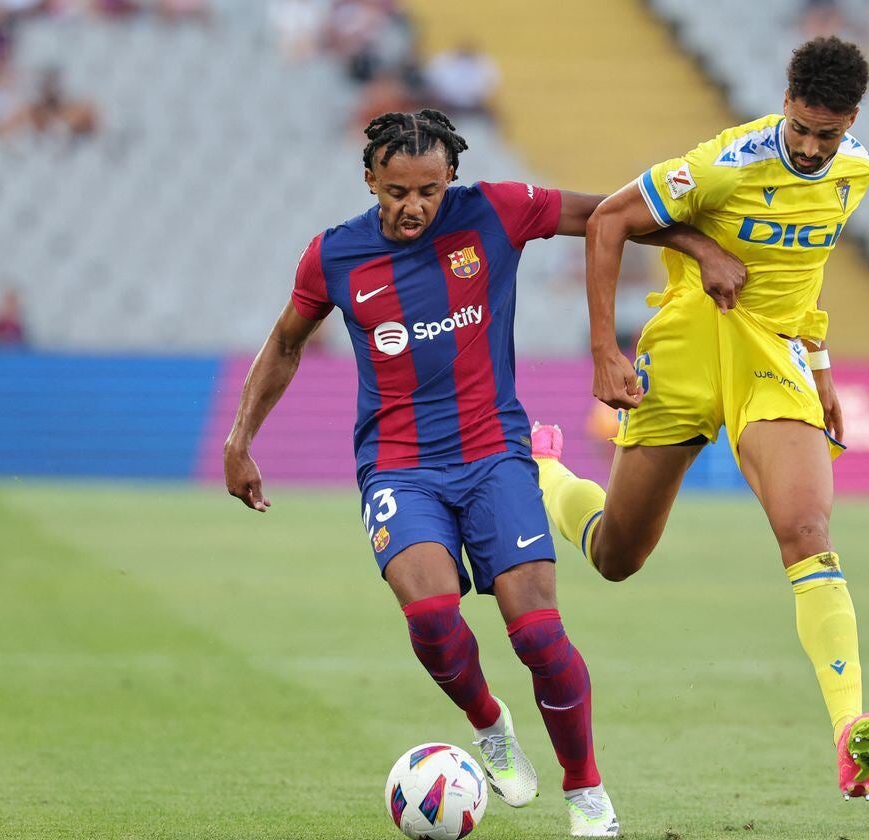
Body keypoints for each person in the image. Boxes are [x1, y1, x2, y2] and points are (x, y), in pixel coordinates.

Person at [223, 109, 740, 837]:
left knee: (536, 634)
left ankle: (586, 790)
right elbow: (284, 343)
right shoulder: (333, 256)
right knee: (433, 618)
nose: (413, 207)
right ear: (369, 180)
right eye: (397, 191)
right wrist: (240, 438)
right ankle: (489, 724)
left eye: (429, 190)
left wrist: (695, 245)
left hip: (496, 453)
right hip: (399, 467)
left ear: (450, 179)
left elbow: (608, 213)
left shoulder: (495, 212)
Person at [532, 36, 869, 800]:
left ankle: (849, 731)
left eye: (826, 135)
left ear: (852, 122)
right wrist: (606, 350)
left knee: (808, 530)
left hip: (771, 357)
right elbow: (607, 222)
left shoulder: (853, 172)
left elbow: (805, 275)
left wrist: (821, 369)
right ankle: (544, 470)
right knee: (616, 556)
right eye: (800, 126)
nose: (808, 146)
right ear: (786, 101)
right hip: (690, 345)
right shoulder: (727, 160)